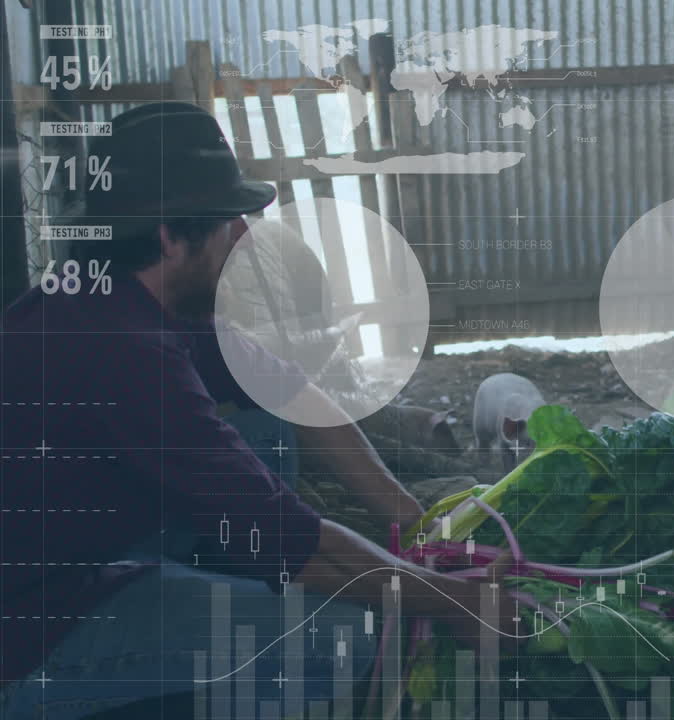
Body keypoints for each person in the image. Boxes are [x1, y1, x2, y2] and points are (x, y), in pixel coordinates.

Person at [0, 102, 518, 719]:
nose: (244, 237)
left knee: (266, 426)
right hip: (35, 634)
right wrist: (453, 601)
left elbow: (294, 396)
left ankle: (213, 603)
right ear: (171, 236)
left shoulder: (113, 292)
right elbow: (294, 542)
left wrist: (412, 520)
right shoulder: (126, 353)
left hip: (73, 557)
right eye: (228, 223)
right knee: (345, 638)